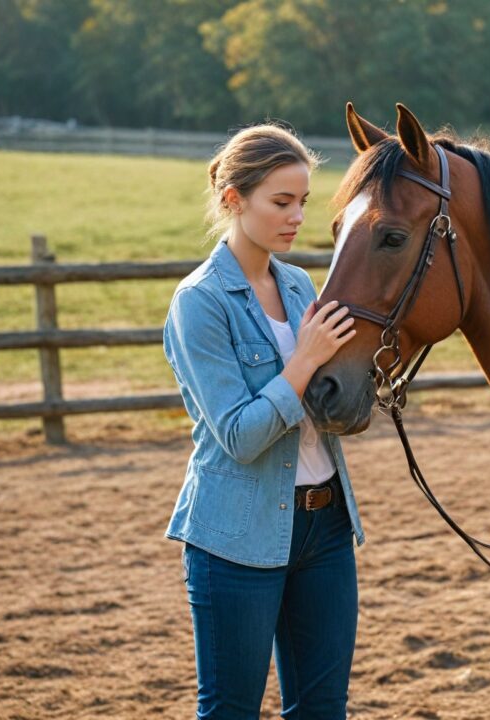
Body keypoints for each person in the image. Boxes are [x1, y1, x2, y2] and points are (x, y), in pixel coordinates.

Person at [162, 122, 365, 719]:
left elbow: (326, 403)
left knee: (322, 709)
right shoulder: (198, 302)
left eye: (302, 201)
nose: (296, 216)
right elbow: (241, 436)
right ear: (234, 200)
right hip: (234, 537)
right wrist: (302, 362)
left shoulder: (300, 284)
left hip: (326, 529)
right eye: (281, 201)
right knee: (230, 711)